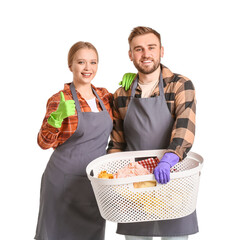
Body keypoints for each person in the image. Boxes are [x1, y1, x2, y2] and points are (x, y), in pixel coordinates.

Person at [108, 26, 197, 240]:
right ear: (130, 55)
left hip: (173, 178)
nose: (146, 54)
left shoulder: (180, 85)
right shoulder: (122, 94)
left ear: (161, 51)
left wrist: (169, 158)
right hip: (133, 183)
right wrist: (111, 175)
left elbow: (185, 126)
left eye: (151, 47)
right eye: (138, 49)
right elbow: (117, 143)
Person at [34, 41, 114, 240]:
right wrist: (55, 119)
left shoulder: (104, 96)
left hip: (93, 182)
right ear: (71, 66)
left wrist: (136, 83)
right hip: (61, 181)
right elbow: (44, 143)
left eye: (93, 62)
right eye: (81, 62)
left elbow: (128, 111)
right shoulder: (59, 99)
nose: (88, 68)